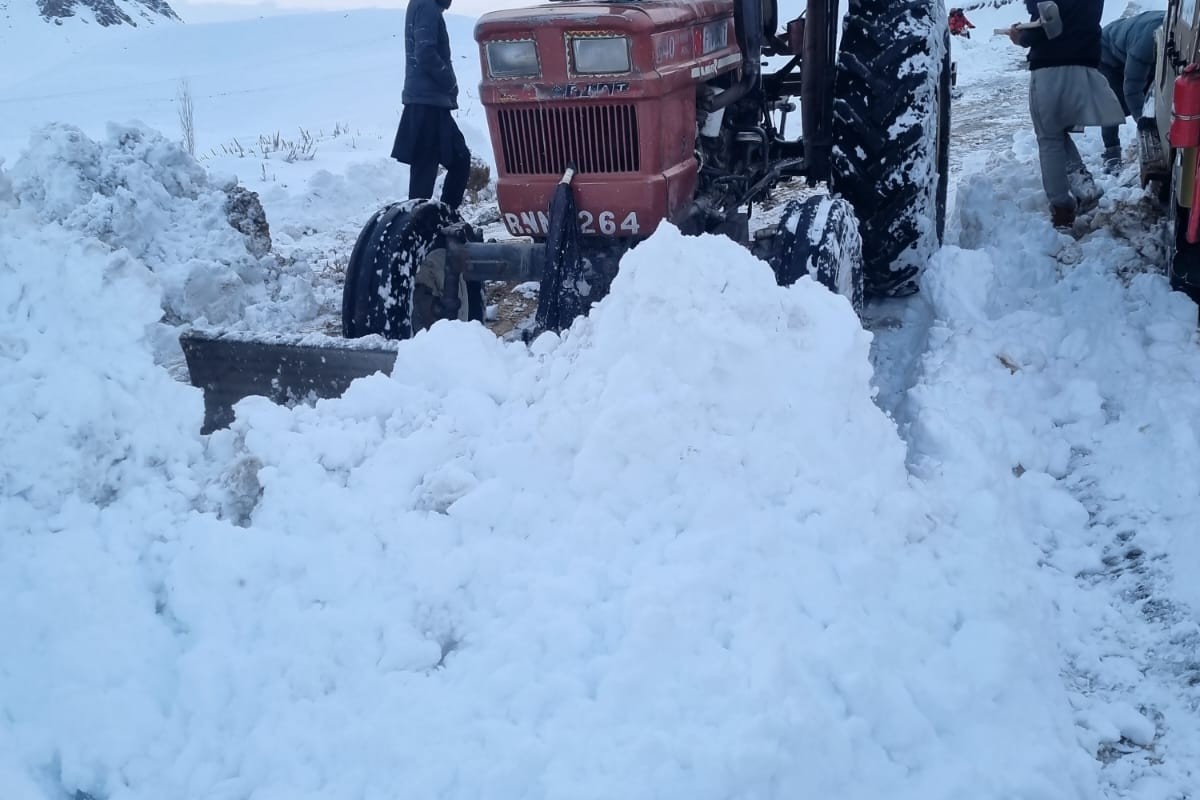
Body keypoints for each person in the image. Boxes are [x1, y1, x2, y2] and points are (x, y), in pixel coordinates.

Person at [1008, 0, 1126, 228]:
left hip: (1050, 67)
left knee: (1049, 136)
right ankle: (1084, 185)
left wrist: (1021, 37)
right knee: (1058, 130)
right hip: (1087, 64)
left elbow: (1047, 25)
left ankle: (1062, 209)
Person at [391, 0, 472, 211]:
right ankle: (423, 226)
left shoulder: (424, 4)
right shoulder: (427, 5)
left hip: (427, 101)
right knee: (426, 173)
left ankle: (440, 219)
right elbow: (425, 52)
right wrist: (449, 80)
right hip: (427, 102)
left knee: (453, 161)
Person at [1097, 10, 1165, 172]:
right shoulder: (1146, 45)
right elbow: (1132, 89)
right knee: (1113, 103)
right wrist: (1146, 127)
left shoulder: (1175, 36)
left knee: (1150, 95)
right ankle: (1111, 152)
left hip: (1132, 42)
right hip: (1107, 52)